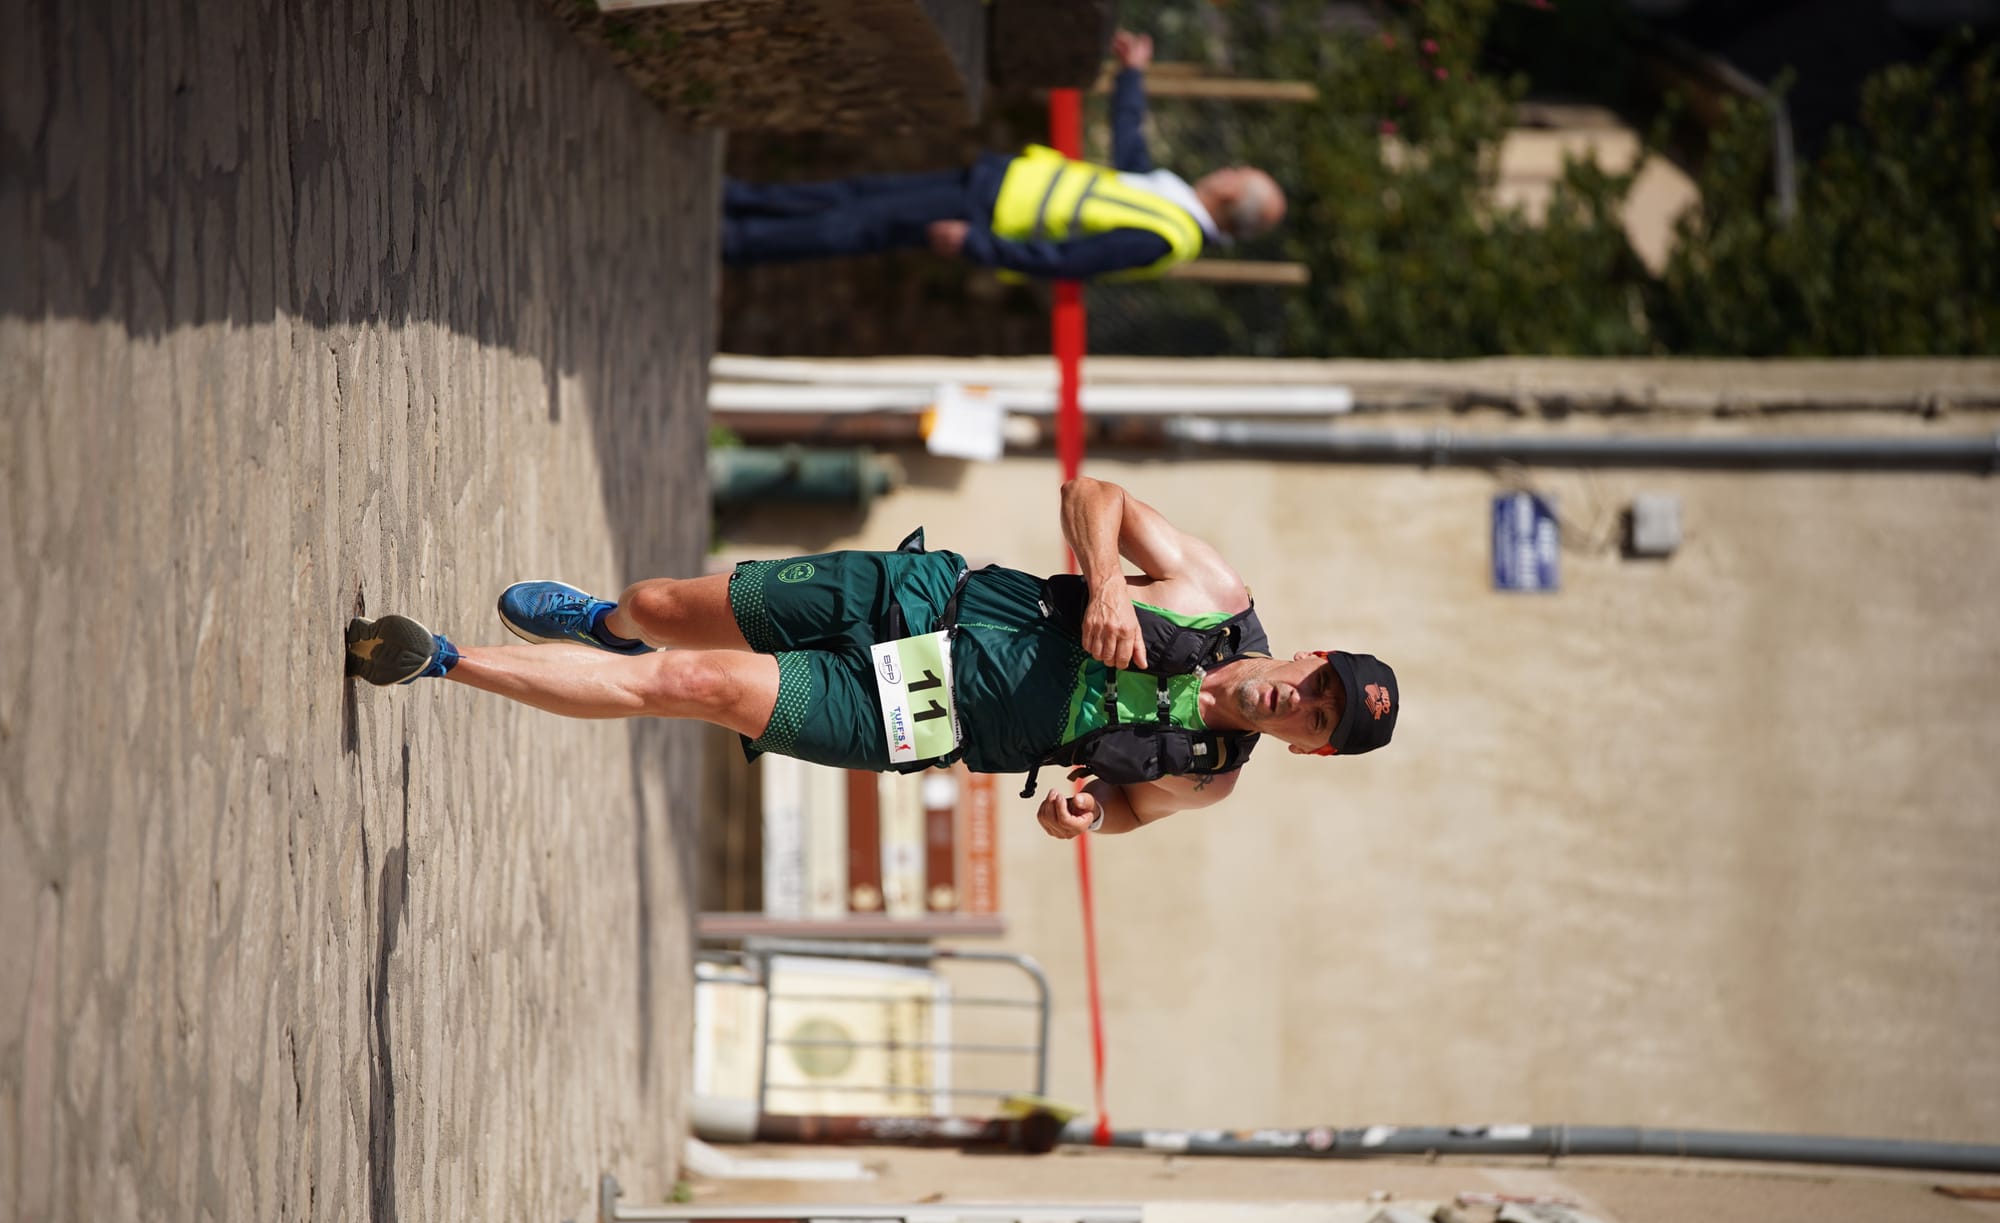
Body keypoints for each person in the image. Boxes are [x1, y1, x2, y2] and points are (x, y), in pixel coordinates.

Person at [346, 478, 1398, 840]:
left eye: (1317, 719)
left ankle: (439, 660)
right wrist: (1111, 586)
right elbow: (1091, 495)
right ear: (1308, 653)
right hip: (921, 597)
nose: (1298, 700)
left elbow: (1121, 812)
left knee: (692, 683)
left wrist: (1077, 817)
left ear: (1307, 750)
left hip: (926, 712)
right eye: (1317, 683)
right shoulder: (1213, 593)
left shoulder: (1206, 779)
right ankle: (609, 621)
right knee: (663, 610)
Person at [721, 31, 1286, 282]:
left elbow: (1067, 262)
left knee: (858, 225)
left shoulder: (1166, 236)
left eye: (1238, 173)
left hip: (986, 216)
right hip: (990, 184)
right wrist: (1132, 75)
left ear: (1231, 194)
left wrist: (978, 245)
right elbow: (1130, 146)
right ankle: (740, 201)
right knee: (857, 194)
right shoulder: (1170, 200)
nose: (1227, 169)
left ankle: (738, 240)